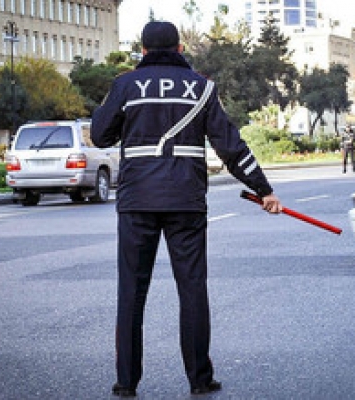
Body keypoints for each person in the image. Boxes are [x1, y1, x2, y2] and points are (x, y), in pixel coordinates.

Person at [91, 21, 282, 398]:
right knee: (192, 290)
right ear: (180, 48)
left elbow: (100, 135)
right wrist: (263, 190)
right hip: (186, 202)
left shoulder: (125, 85)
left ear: (142, 51)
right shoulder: (202, 87)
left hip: (136, 203)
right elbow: (231, 147)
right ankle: (199, 379)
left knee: (131, 292)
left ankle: (126, 382)